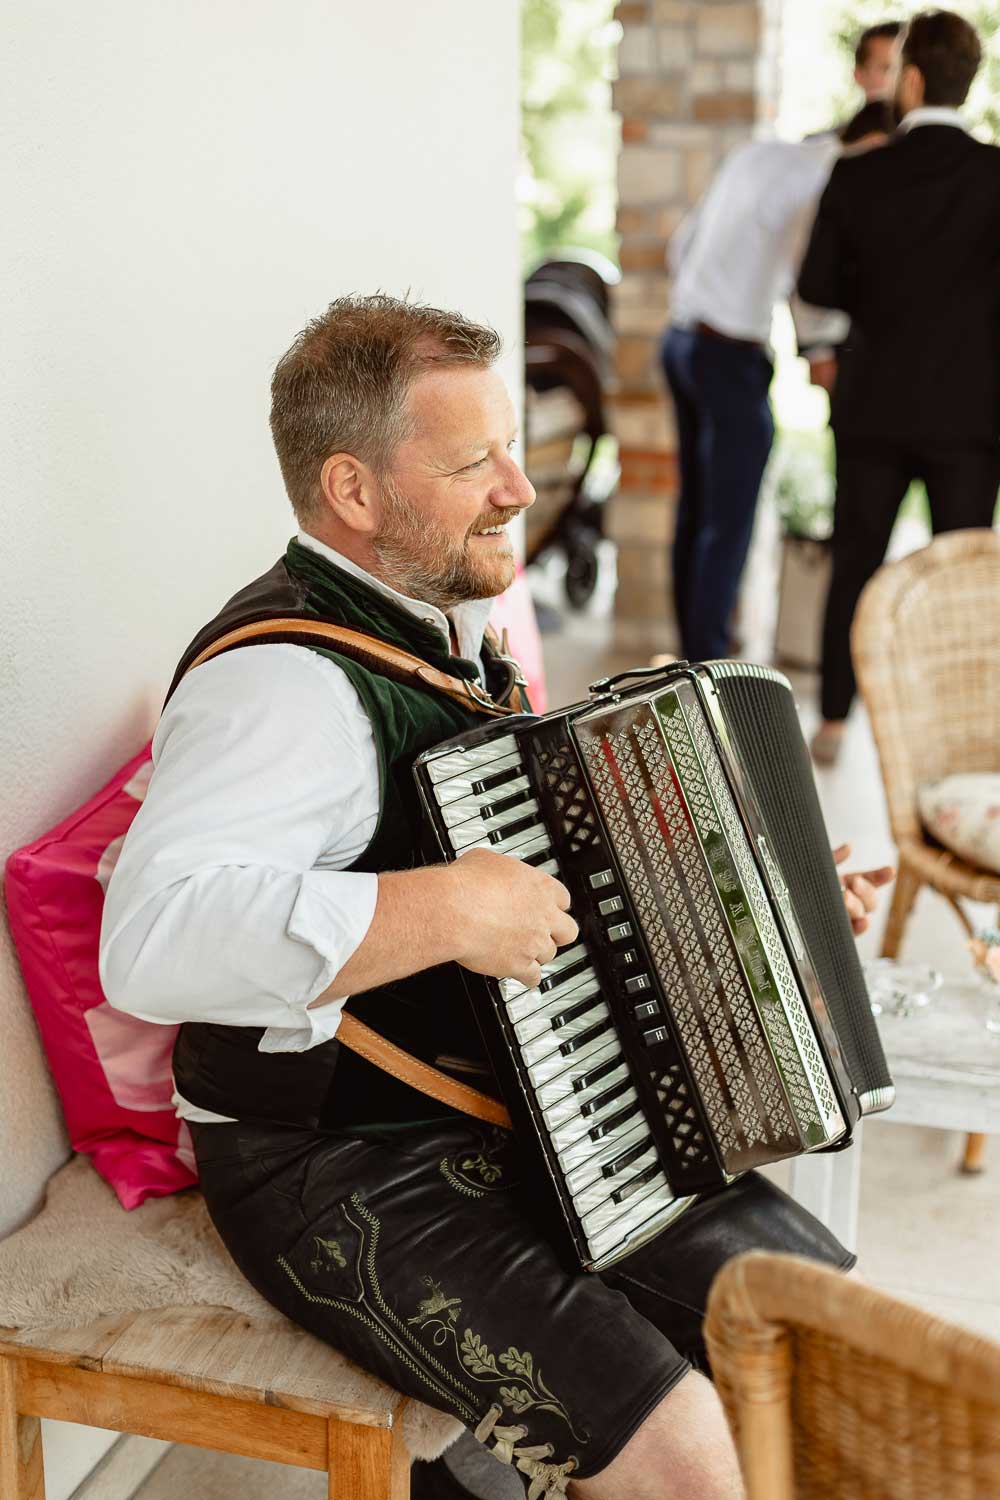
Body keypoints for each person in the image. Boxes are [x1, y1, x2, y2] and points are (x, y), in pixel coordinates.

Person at [100, 295, 890, 1500]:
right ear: (353, 491)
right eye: (474, 462)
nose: (519, 486)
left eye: (508, 447)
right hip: (335, 1162)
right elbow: (150, 941)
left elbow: (532, 869)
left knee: (825, 1336)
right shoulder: (284, 688)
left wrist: (767, 904)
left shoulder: (432, 630)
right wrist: (446, 911)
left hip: (526, 1102)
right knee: (683, 1453)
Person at [799, 10, 1000, 766]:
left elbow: (817, 282)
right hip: (971, 416)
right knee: (962, 581)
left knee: (856, 562)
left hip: (874, 405)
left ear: (911, 79)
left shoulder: (857, 173)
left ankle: (836, 719)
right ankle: (962, 737)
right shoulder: (996, 174)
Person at [660, 104, 891, 665]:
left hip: (681, 339)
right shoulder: (828, 178)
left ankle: (692, 653)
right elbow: (808, 285)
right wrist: (821, 352)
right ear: (870, 144)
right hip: (728, 357)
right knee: (728, 526)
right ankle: (709, 671)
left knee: (696, 513)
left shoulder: (761, 152)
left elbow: (680, 248)